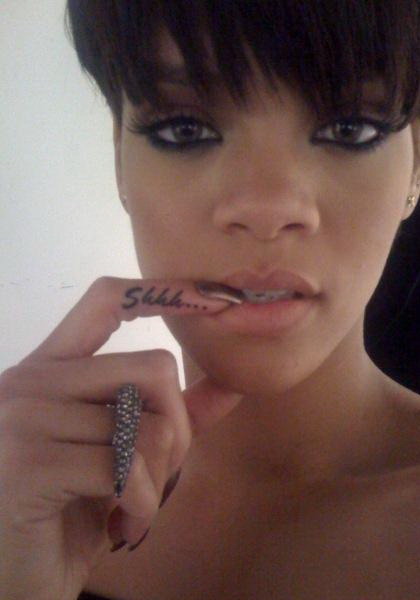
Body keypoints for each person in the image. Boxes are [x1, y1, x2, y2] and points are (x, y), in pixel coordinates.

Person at [1, 1, 420, 599]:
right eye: (185, 129)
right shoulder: (27, 505)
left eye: (349, 128)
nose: (267, 210)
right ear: (119, 157)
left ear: (415, 167)